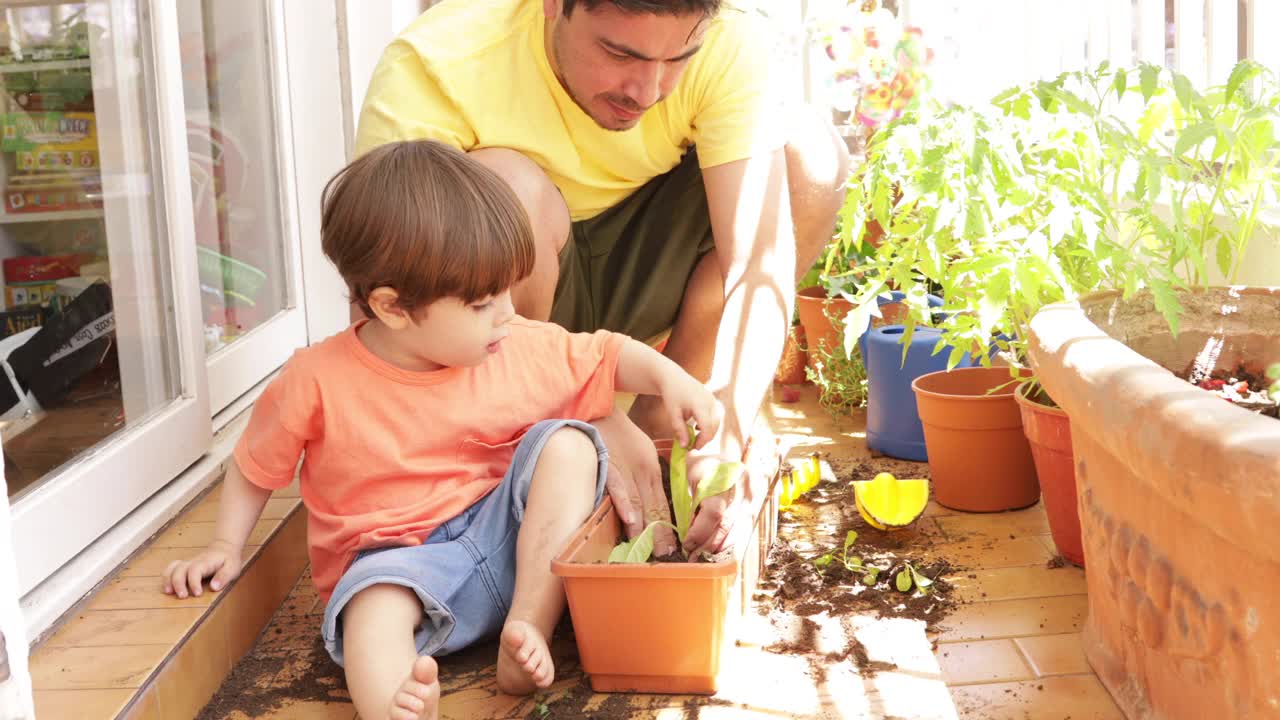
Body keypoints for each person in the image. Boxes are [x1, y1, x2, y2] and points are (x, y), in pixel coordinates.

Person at [162, 140, 721, 720]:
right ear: (393, 307)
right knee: (371, 610)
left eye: (508, 288)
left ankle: (526, 626)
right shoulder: (316, 379)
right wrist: (226, 547)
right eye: (482, 302)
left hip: (516, 545)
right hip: (399, 568)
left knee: (570, 446)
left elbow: (607, 355)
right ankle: (397, 706)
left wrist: (672, 380)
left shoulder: (514, 343)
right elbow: (256, 467)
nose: (508, 312)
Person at [355, 0, 851, 559]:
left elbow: (757, 262)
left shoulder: (727, 42)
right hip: (505, 312)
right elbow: (389, 315)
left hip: (646, 267)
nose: (647, 90)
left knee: (809, 155)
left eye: (678, 58)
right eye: (619, 53)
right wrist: (581, 410)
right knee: (503, 186)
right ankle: (538, 444)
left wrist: (730, 425)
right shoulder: (435, 65)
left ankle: (669, 416)